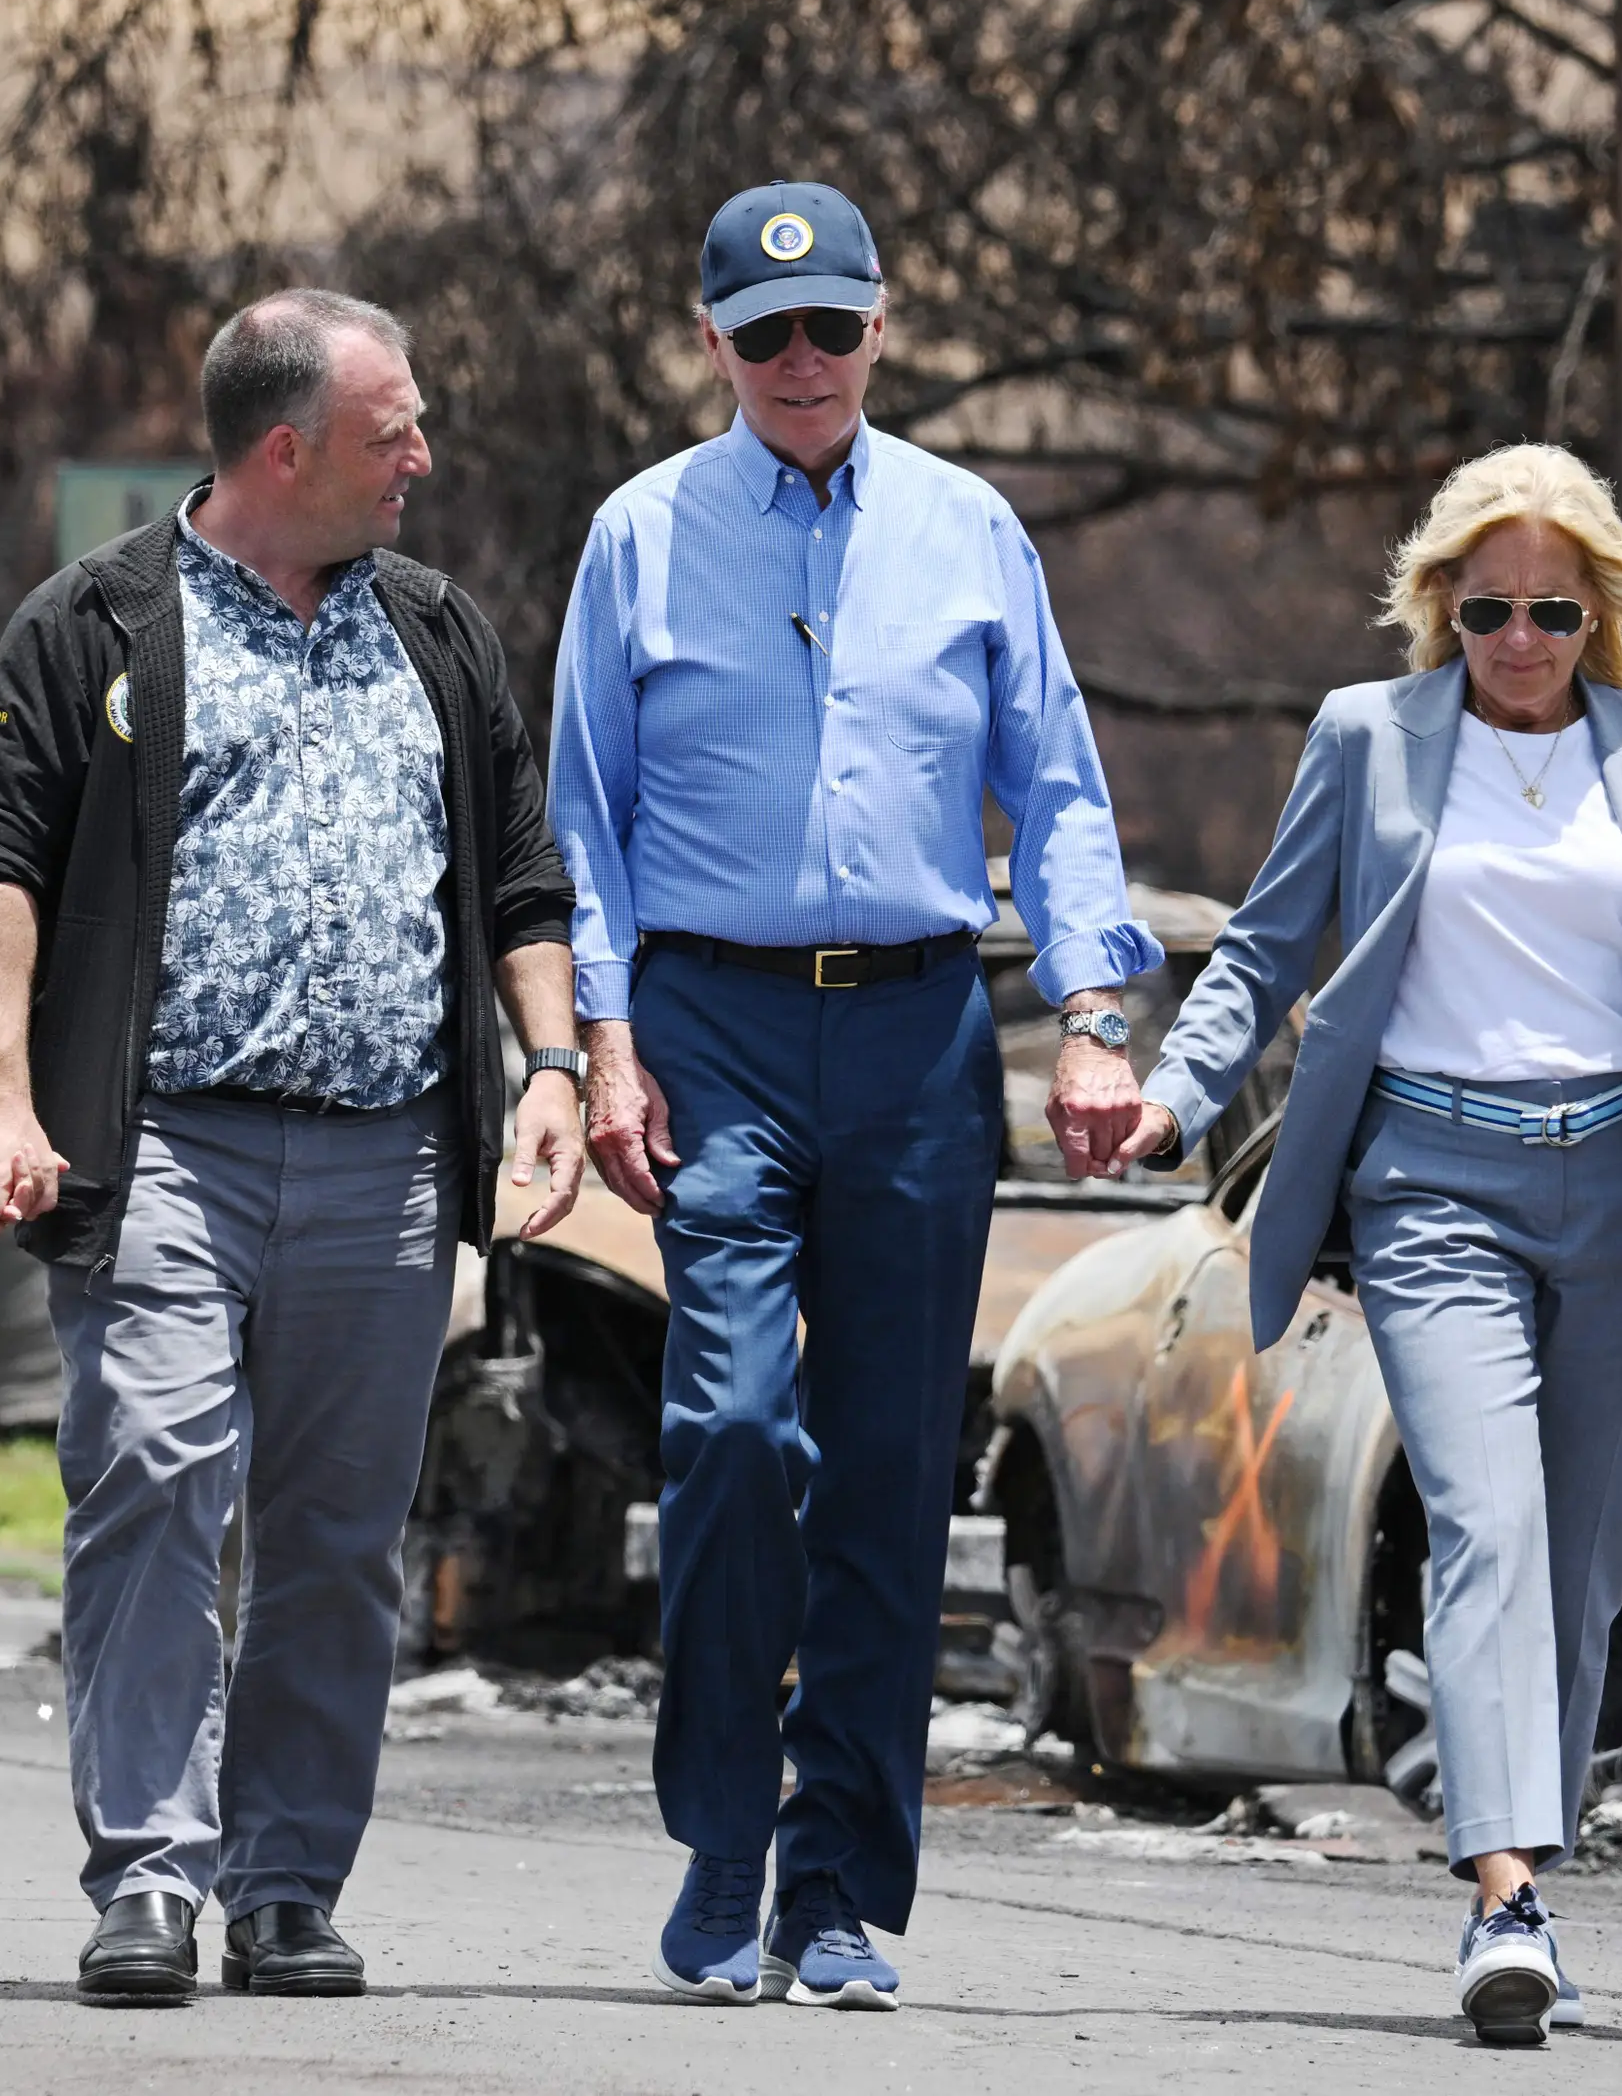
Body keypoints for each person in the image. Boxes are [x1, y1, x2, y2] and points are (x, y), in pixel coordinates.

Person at [548, 182, 1166, 2011]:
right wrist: (601, 1039)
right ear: (712, 341)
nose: (801, 364)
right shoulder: (640, 535)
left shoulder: (971, 530)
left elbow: (1053, 785)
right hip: (713, 1028)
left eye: (833, 330)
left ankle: (837, 1890)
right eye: (765, 336)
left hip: (915, 1035)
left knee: (894, 1468)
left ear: (884, 329)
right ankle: (727, 1832)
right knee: (736, 1429)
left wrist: (1096, 1012)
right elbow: (585, 816)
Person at [0, 289, 587, 2006]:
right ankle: (148, 1870)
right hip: (162, 1147)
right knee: (151, 1476)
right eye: (396, 432)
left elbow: (522, 880)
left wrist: (552, 1067)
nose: (423, 459)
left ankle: (287, 1881)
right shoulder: (94, 625)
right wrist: (2, 1093)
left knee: (340, 1531)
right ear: (284, 447)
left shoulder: (438, 633)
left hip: (385, 1165)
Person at [1122, 442, 1622, 2048]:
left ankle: (1524, 1855)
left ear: (1601, 608)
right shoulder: (1372, 739)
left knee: (1583, 1555)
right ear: (1443, 605)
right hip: (1434, 1186)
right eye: (1490, 609)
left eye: (1555, 608)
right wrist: (1172, 1095)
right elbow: (1268, 946)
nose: (1524, 639)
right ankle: (1505, 1897)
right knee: (1486, 1520)